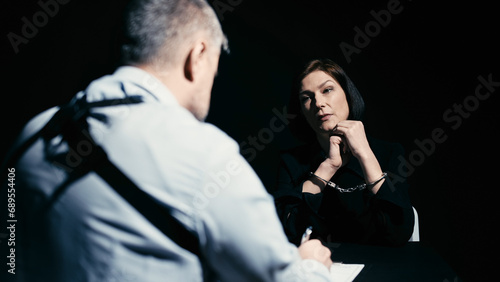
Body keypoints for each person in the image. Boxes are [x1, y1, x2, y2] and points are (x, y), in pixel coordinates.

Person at [4, 1, 335, 281]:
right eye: (215, 68)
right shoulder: (203, 151)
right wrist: (309, 264)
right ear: (198, 55)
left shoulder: (33, 132)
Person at [273, 58, 415, 247]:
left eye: (327, 90)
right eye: (307, 97)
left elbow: (399, 232)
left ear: (348, 94)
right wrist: (327, 168)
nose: (318, 103)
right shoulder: (292, 161)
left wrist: (365, 154)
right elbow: (284, 232)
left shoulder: (389, 152)